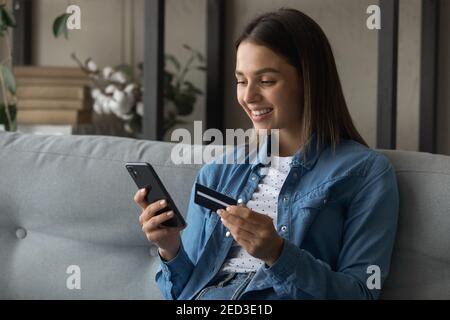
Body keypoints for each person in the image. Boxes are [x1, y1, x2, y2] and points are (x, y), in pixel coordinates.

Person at [134, 8, 399, 300]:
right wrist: (170, 248)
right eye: (241, 80)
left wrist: (278, 254)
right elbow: (184, 294)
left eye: (266, 81)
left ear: (308, 80)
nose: (248, 97)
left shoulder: (364, 173)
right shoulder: (216, 173)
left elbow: (360, 294)